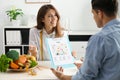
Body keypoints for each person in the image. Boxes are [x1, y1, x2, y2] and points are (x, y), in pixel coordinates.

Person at [51, 0, 120, 80]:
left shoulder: (99, 39)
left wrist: (62, 76)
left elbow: (84, 78)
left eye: (93, 13)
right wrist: (87, 67)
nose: (93, 17)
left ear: (99, 13)